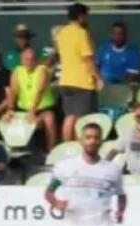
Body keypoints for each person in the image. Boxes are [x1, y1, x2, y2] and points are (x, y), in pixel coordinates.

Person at [56, 2, 101, 142]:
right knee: (82, 119)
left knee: (69, 117)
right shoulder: (81, 33)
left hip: (65, 79)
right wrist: (98, 78)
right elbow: (88, 58)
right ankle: (78, 147)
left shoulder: (61, 33)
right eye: (86, 16)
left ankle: (66, 147)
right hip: (82, 81)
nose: (87, 19)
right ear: (80, 16)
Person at [11, 47, 57, 150]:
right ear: (21, 61)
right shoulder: (17, 71)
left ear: (36, 60)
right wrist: (10, 109)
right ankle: (17, 151)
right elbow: (13, 92)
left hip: (42, 109)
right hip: (23, 109)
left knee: (49, 118)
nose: (29, 62)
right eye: (26, 59)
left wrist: (32, 112)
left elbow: (39, 92)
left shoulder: (42, 70)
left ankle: (51, 151)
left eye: (32, 59)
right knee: (8, 118)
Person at [97, 21, 140, 86]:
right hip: (101, 85)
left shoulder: (132, 52)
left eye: (120, 34)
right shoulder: (103, 48)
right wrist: (99, 79)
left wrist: (118, 88)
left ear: (125, 36)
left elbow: (130, 76)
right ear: (111, 35)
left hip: (121, 87)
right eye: (114, 33)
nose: (117, 37)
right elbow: (96, 66)